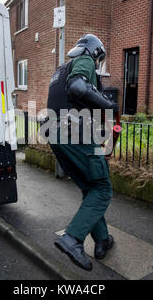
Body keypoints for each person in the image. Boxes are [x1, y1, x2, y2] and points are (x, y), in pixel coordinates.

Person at [47, 34, 119, 271]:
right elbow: (78, 87)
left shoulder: (60, 71)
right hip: (76, 135)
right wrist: (108, 105)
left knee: (90, 189)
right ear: (95, 52)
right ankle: (73, 239)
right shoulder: (85, 61)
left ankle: (102, 241)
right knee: (102, 189)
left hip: (56, 137)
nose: (97, 65)